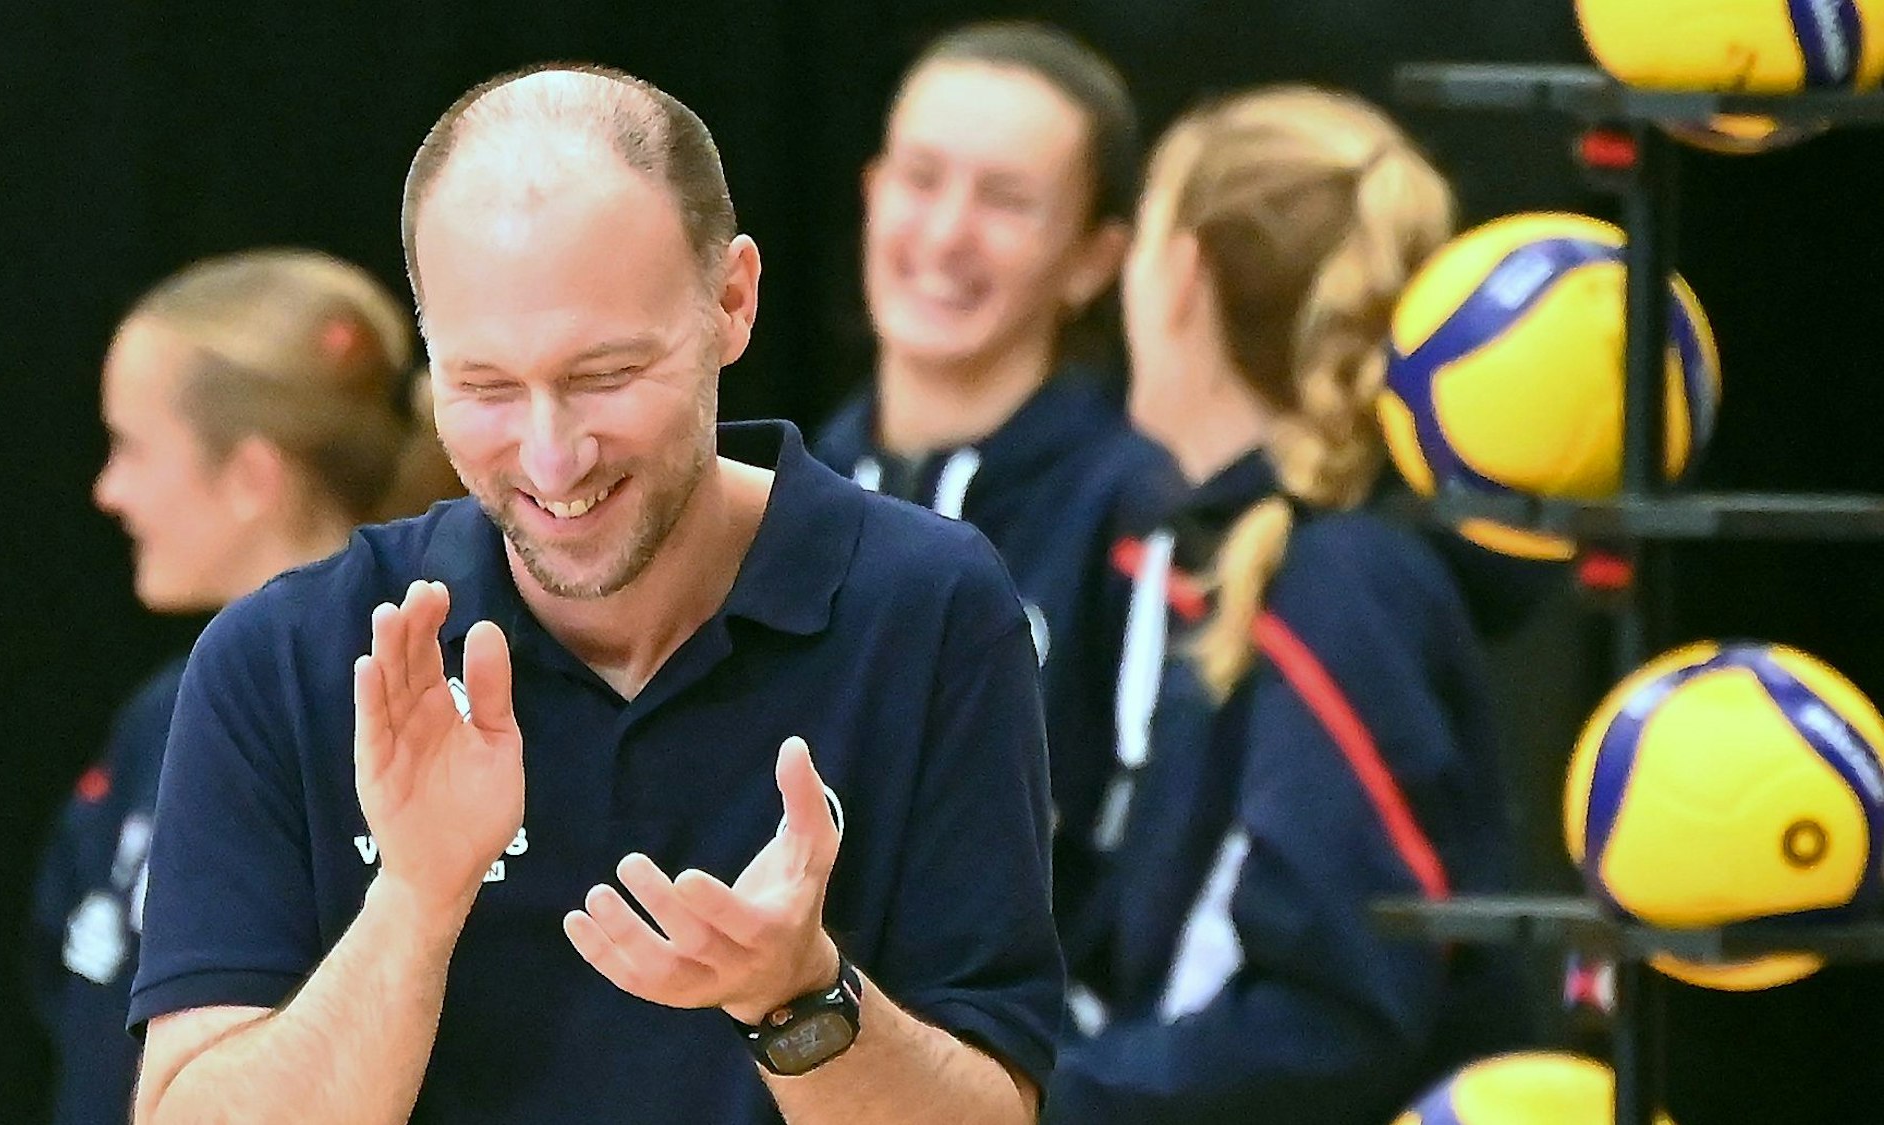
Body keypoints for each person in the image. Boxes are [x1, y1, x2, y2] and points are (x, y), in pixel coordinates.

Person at [126, 64, 1061, 1125]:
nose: (551, 456)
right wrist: (415, 902)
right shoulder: (289, 654)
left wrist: (796, 997)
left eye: (604, 375)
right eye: (481, 387)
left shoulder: (925, 609)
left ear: (731, 301)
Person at [1043, 87, 1526, 1123]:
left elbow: (1333, 1016)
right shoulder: (1238, 548)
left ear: (1178, 277)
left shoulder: (1342, 581)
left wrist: (1033, 1100)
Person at [29, 248, 462, 1125]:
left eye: (131, 447)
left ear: (251, 477)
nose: (107, 490)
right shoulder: (164, 713)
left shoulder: (419, 720)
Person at [811, 22, 1179, 938]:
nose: (945, 236)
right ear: (872, 192)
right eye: (922, 180)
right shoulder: (788, 489)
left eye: (1007, 201)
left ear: (1095, 260)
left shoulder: (1141, 512)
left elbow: (1147, 877)